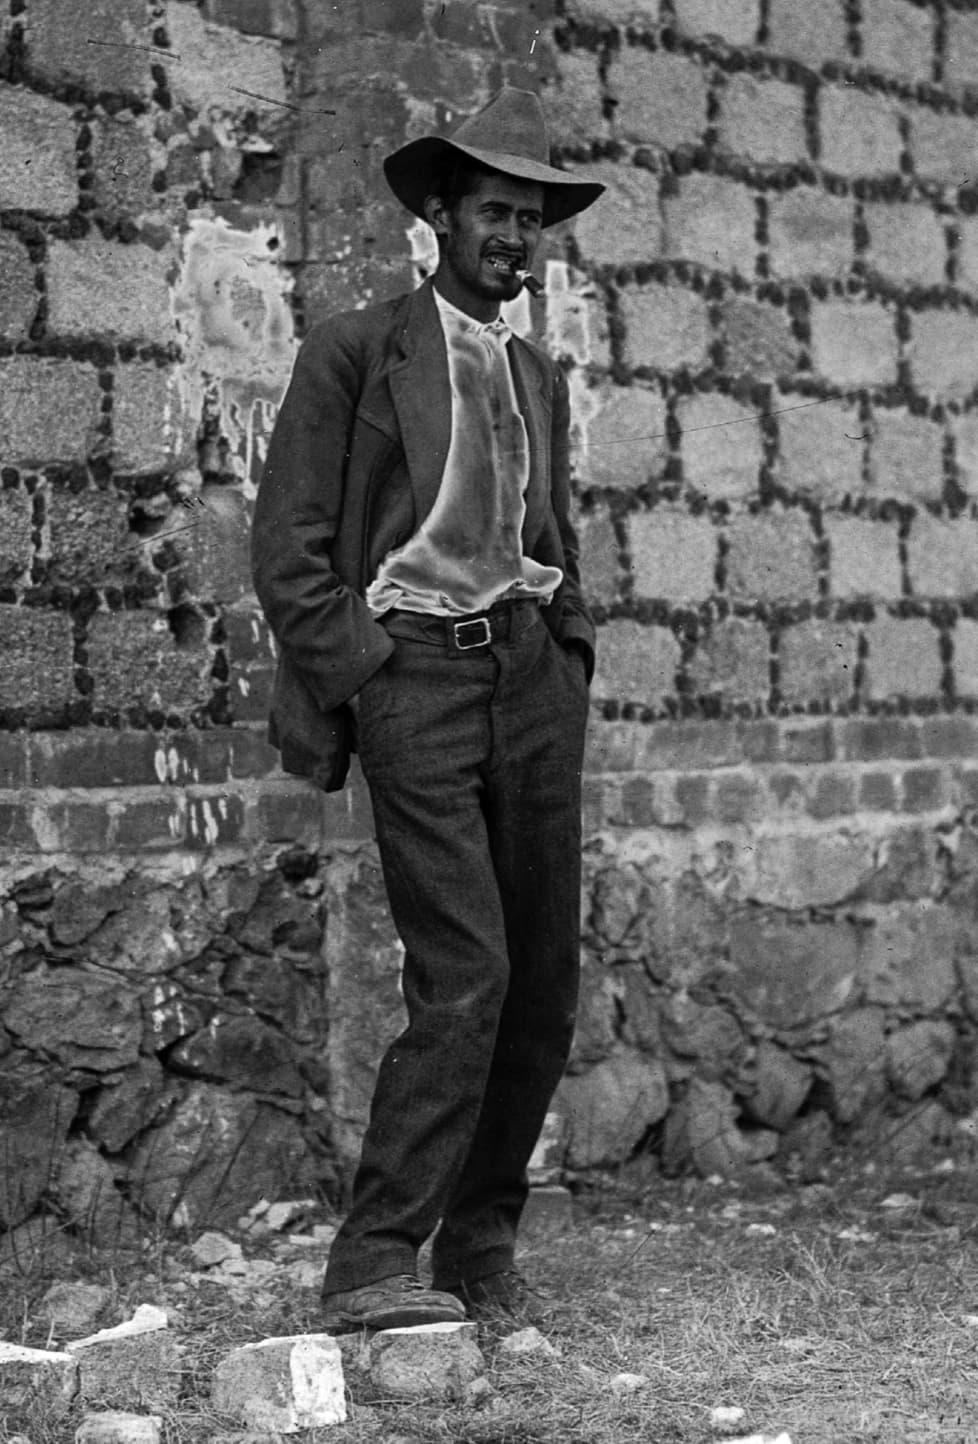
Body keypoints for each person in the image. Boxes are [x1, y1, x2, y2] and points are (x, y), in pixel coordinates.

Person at [251, 88, 604, 1333]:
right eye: (496, 213)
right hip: (417, 678)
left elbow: (546, 531)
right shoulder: (355, 351)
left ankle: (479, 1248)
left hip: (529, 679)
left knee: (543, 983)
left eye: (532, 221)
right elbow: (289, 545)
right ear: (437, 220)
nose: (516, 237)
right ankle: (369, 1264)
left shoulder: (533, 371)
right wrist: (367, 665)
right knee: (467, 972)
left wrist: (565, 646)